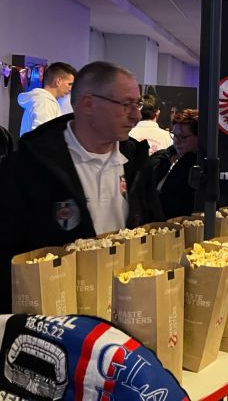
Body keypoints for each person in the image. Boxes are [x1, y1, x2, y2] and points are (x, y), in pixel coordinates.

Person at [0, 61, 163, 311]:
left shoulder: (137, 162)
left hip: (125, 309)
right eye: (126, 105)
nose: (136, 115)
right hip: (56, 315)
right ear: (89, 104)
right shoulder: (31, 165)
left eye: (137, 104)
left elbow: (153, 232)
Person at [152, 109, 199, 219]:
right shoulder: (163, 157)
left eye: (183, 137)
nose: (177, 141)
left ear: (199, 137)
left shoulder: (200, 167)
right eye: (174, 135)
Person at [17, 61, 77, 136]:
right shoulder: (45, 103)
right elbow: (41, 137)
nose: (71, 89)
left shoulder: (44, 101)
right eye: (69, 84)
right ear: (58, 81)